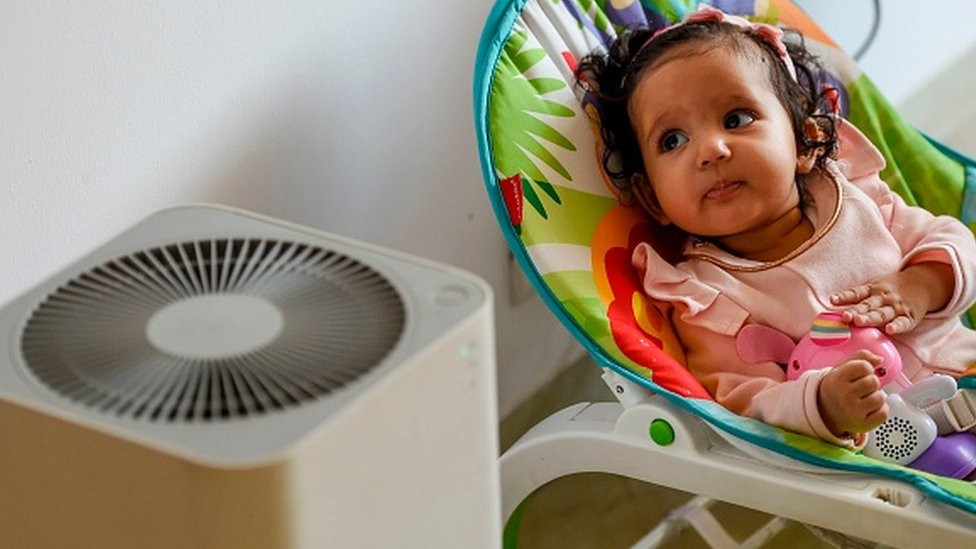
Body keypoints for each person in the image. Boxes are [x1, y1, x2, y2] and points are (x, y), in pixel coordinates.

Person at [576, 5, 976, 448]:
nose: (711, 149)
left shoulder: (856, 197)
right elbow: (743, 400)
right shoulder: (706, 299)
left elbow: (952, 239)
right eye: (672, 140)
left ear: (806, 143)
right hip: (910, 457)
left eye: (736, 119)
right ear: (652, 198)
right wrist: (821, 403)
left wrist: (919, 285)